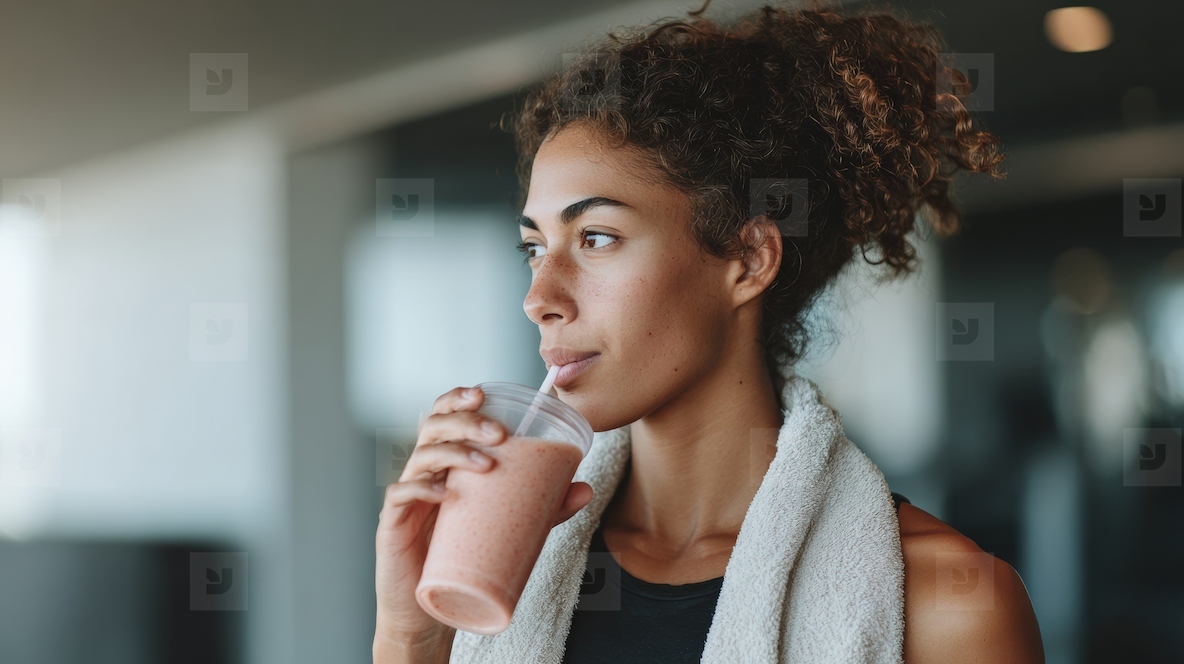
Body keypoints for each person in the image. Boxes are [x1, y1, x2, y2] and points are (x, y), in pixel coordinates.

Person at [373, 2, 1044, 662]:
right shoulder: (492, 579)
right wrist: (413, 639)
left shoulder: (949, 605)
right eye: (534, 247)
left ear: (749, 260)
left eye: (597, 237)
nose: (538, 298)